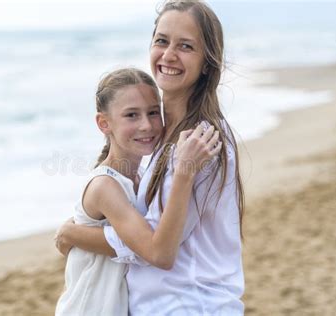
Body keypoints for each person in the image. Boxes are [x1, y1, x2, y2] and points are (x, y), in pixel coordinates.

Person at [56, 0, 245, 314]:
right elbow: (147, 229)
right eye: (162, 40)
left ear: (207, 63)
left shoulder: (200, 141)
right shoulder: (164, 137)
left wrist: (75, 234)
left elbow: (156, 247)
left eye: (185, 46)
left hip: (189, 305)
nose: (169, 55)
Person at [55, 67, 222, 316]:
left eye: (153, 113)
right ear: (104, 123)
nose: (146, 125)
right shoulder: (105, 186)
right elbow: (156, 251)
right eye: (131, 115)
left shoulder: (142, 178)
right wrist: (183, 174)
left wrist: (72, 234)